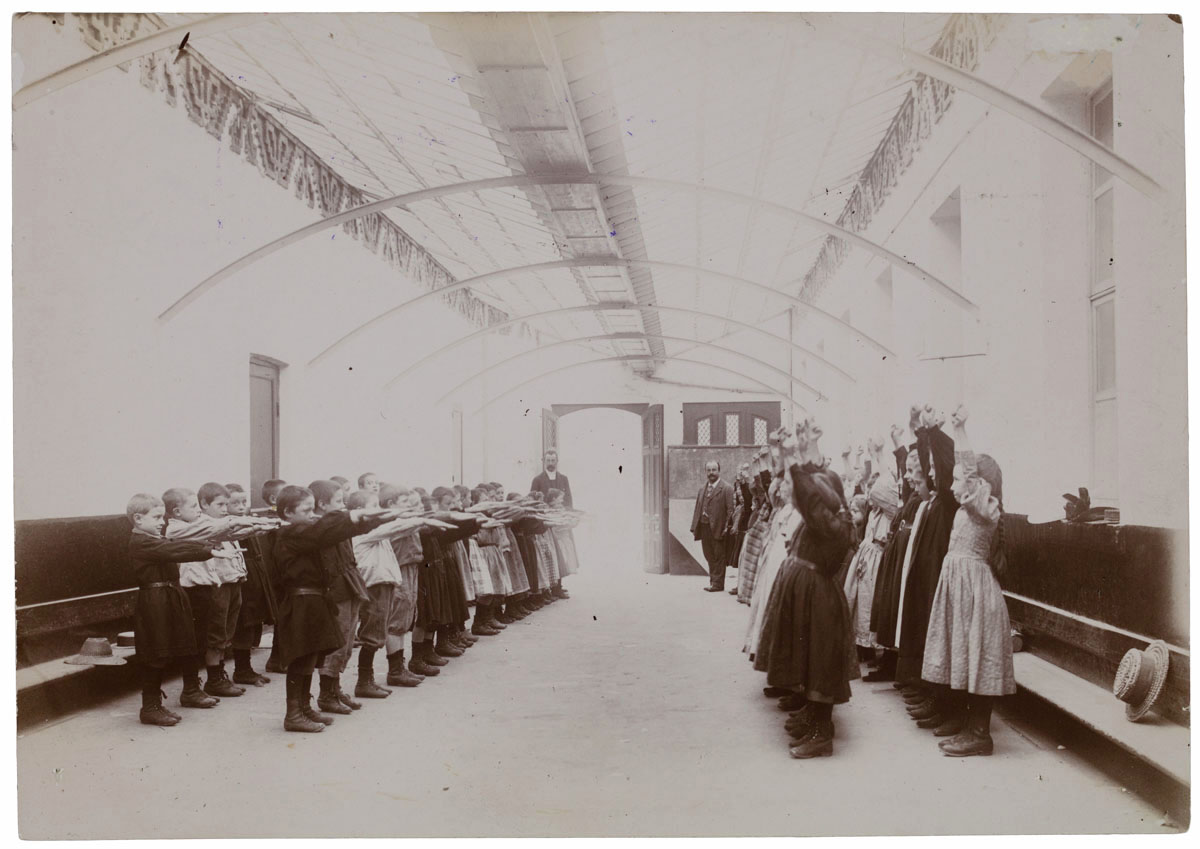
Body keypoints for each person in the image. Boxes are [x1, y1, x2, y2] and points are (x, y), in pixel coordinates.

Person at [755, 420, 857, 759]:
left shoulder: (832, 524)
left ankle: (821, 734)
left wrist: (795, 459)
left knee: (819, 666)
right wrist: (805, 450)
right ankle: (813, 718)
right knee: (810, 661)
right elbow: (817, 484)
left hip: (819, 598)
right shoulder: (831, 509)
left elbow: (812, 496)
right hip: (810, 591)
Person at [921, 406, 1015, 755]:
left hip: (976, 594)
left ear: (979, 484)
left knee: (979, 657)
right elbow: (962, 476)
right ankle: (966, 724)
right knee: (965, 654)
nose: (951, 483)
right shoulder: (966, 509)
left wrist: (960, 432)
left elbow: (970, 474)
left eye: (958, 479)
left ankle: (980, 734)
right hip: (963, 591)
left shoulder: (984, 508)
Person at [272, 485, 397, 732]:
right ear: (287, 512)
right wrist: (353, 517)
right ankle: (293, 714)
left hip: (314, 601)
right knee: (300, 659)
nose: (311, 514)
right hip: (301, 601)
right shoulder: (292, 532)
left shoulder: (304, 531)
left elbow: (331, 533)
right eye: (306, 509)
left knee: (310, 657)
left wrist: (365, 521)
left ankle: (305, 708)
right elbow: (323, 532)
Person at [126, 493, 229, 725]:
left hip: (172, 595)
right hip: (155, 601)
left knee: (187, 643)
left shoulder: (155, 538)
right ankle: (150, 707)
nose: (162, 521)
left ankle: (191, 691)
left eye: (162, 516)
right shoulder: (141, 541)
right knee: (156, 651)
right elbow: (173, 550)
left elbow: (174, 546)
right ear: (138, 519)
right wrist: (209, 550)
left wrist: (209, 546)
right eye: (157, 517)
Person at [163, 485, 262, 700]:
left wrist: (256, 527)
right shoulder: (184, 528)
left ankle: (214, 678)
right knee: (212, 636)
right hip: (204, 588)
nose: (198, 510)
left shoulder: (204, 524)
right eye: (195, 506)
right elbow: (217, 533)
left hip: (218, 584)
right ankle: (211, 680)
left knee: (222, 633)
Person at [225, 482, 278, 687]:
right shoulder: (230, 525)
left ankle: (245, 668)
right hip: (243, 578)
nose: (241, 506)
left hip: (255, 575)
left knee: (254, 621)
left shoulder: (247, 520)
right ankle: (242, 669)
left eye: (244, 502)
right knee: (244, 623)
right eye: (234, 502)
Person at [690, 459, 735, 592]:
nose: (711, 473)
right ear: (706, 472)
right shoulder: (702, 489)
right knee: (708, 554)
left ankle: (718, 584)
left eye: (714, 470)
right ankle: (712, 581)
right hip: (704, 527)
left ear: (719, 471)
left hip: (719, 528)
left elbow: (730, 510)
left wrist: (727, 527)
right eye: (708, 470)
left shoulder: (726, 488)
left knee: (719, 556)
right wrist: (694, 526)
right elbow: (697, 508)